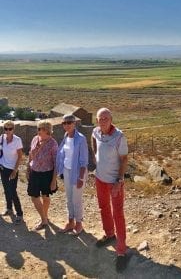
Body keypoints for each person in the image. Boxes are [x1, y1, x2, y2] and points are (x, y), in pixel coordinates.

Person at [92, 108, 129, 272]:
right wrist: (96, 160)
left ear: (111, 119)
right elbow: (93, 141)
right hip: (100, 178)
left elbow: (124, 159)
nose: (103, 121)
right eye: (100, 118)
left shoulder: (119, 136)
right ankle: (109, 234)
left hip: (114, 181)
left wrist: (119, 181)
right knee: (103, 208)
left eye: (106, 118)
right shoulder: (96, 132)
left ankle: (121, 251)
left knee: (118, 213)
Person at [56, 114, 88, 235]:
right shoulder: (66, 136)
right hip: (67, 171)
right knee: (69, 199)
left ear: (75, 123)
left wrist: (81, 177)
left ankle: (79, 224)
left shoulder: (81, 138)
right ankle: (70, 222)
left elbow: (84, 161)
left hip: (78, 173)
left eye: (69, 122)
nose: (67, 125)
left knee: (76, 200)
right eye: (64, 123)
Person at [27, 120, 58, 231]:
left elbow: (56, 164)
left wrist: (54, 180)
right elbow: (31, 155)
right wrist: (27, 169)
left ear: (47, 131)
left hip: (47, 174)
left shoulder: (53, 144)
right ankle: (44, 219)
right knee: (34, 197)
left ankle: (44, 218)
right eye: (38, 128)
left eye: (41, 129)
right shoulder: (35, 139)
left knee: (45, 196)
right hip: (34, 171)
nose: (38, 131)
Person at [0, 121, 24, 224]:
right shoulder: (1, 138)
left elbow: (20, 156)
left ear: (13, 129)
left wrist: (15, 170)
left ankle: (19, 213)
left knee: (13, 191)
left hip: (12, 169)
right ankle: (9, 208)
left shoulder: (17, 140)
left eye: (10, 129)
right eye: (6, 128)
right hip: (3, 167)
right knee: (6, 189)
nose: (8, 131)